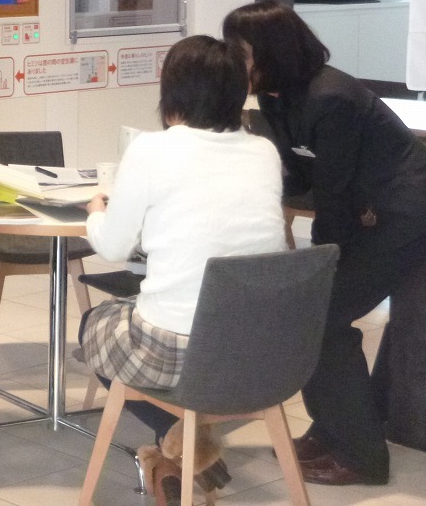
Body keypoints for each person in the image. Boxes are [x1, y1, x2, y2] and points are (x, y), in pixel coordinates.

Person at [222, 0, 426, 486]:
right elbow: (300, 174)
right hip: (366, 211)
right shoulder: (275, 97)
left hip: (409, 210)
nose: (231, 59)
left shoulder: (331, 98)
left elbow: (334, 195)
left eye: (238, 50)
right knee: (314, 315)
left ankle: (362, 455)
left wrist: (321, 265)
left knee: (322, 317)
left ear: (268, 51)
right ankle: (331, 431)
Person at [78, 35, 287, 503]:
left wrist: (95, 211)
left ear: (171, 91)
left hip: (183, 353)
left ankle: (182, 440)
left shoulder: (152, 150)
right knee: (149, 312)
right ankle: (184, 449)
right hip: (265, 350)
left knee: (93, 325)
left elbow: (112, 246)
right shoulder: (264, 152)